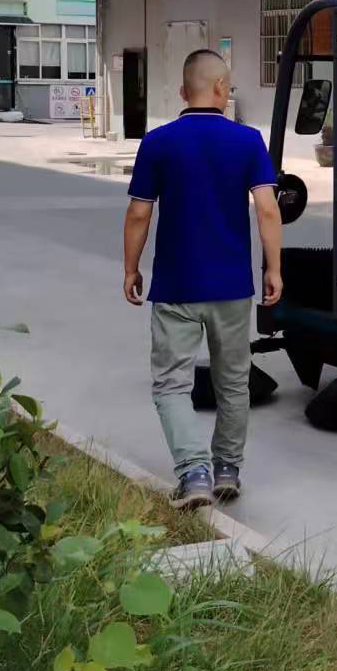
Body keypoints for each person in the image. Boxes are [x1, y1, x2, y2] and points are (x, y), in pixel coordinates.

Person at [122, 49, 283, 509]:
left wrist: (131, 267)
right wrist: (273, 267)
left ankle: (194, 473)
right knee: (233, 381)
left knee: (171, 385)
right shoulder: (248, 141)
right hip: (232, 287)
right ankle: (227, 469)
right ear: (221, 90)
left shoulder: (158, 142)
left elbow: (139, 211)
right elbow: (268, 208)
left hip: (175, 286)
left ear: (182, 92)